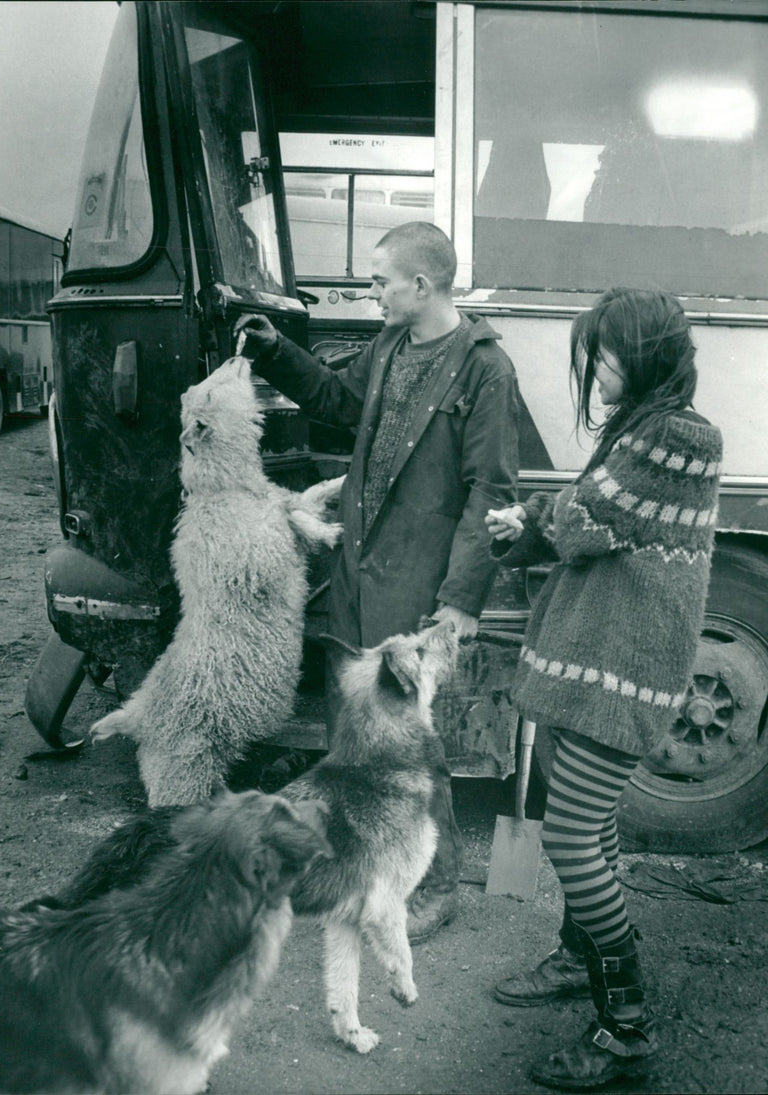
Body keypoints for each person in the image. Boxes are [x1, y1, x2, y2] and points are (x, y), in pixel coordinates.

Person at [236, 221, 520, 942]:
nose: (370, 293)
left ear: (421, 285)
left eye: (379, 281)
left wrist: (460, 601)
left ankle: (437, 887)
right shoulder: (391, 345)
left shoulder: (485, 367)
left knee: (410, 753)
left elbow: (492, 489)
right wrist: (276, 352)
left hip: (417, 590)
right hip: (359, 579)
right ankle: (361, 876)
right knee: (350, 745)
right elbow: (334, 400)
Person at [485, 287, 722, 1090]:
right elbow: (588, 520)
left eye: (607, 353)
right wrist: (537, 523)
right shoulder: (644, 428)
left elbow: (590, 521)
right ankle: (576, 956)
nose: (596, 367)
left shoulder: (680, 435)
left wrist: (532, 520)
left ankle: (627, 1025)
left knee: (570, 838)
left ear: (649, 353)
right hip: (593, 659)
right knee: (590, 824)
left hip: (623, 672)